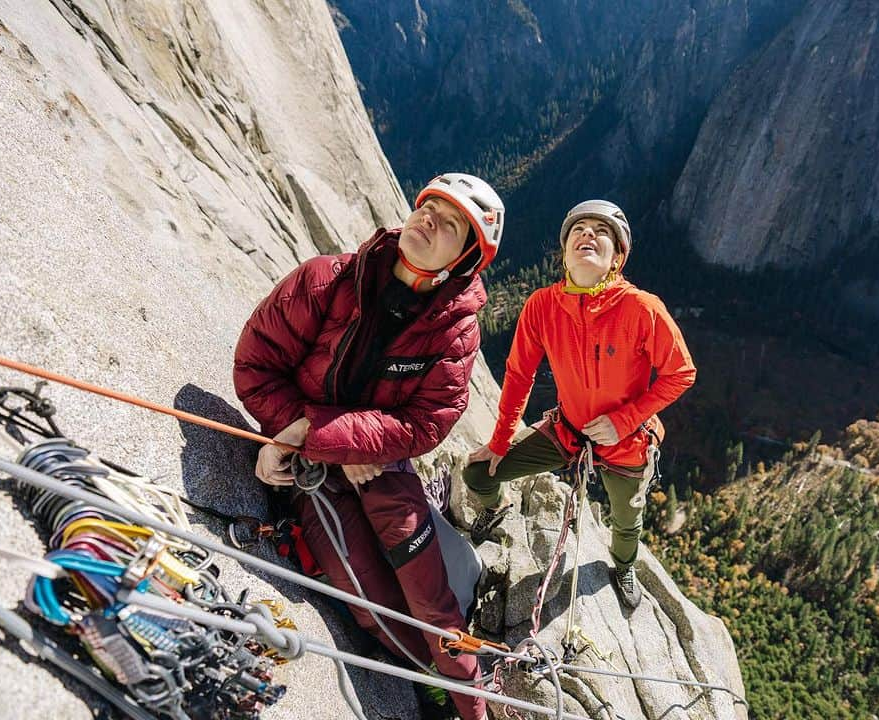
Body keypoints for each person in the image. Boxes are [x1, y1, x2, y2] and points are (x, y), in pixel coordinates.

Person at [233, 173, 504, 720]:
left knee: (433, 599)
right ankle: (431, 680)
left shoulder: (455, 330)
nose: (427, 219)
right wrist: (312, 437)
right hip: (314, 469)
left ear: (467, 257)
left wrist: (333, 436)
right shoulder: (325, 282)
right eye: (428, 207)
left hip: (380, 462)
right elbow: (254, 369)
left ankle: (477, 706)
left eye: (450, 223)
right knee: (370, 596)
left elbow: (428, 423)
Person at [464, 200, 695, 609]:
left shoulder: (641, 309)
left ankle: (623, 567)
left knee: (626, 523)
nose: (588, 234)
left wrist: (624, 420)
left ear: (616, 258)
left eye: (600, 231)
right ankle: (496, 508)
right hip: (568, 431)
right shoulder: (543, 305)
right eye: (579, 230)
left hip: (628, 442)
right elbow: (519, 374)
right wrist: (500, 441)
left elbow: (681, 373)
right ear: (565, 251)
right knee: (480, 472)